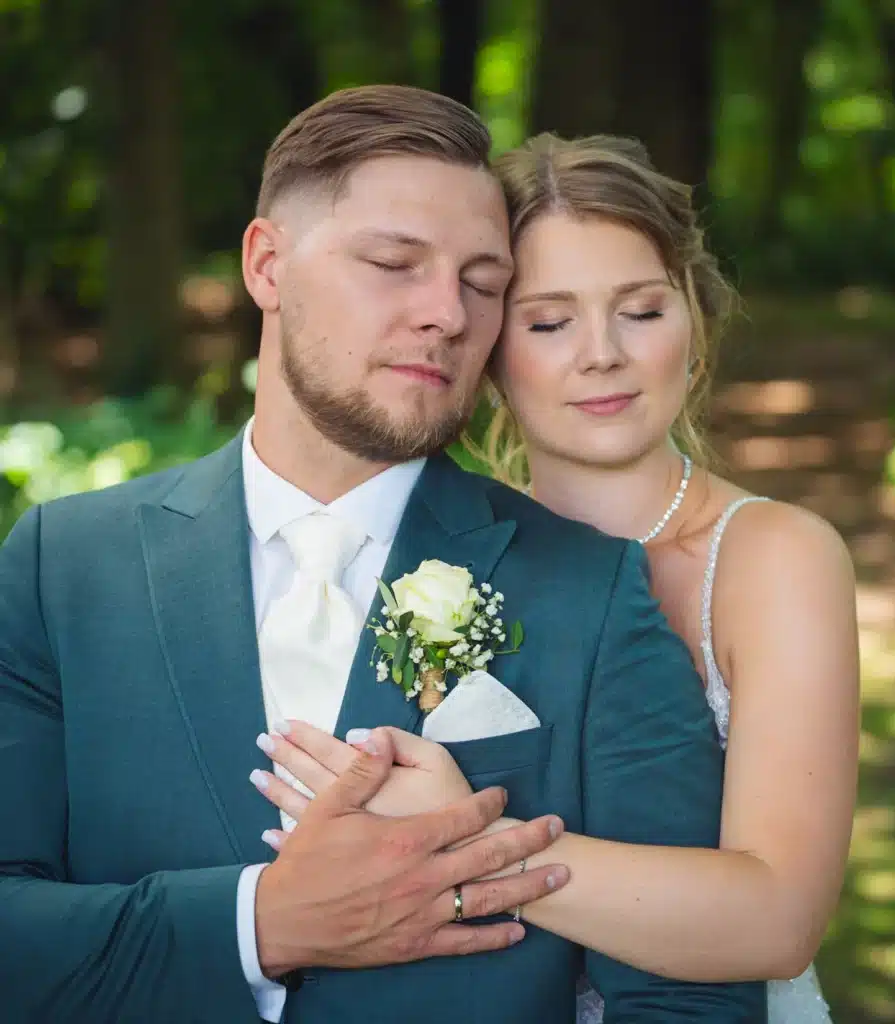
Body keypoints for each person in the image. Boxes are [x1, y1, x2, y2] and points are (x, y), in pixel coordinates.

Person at [0, 88, 764, 1023]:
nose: (446, 314)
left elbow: (694, 1001)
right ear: (268, 264)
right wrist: (260, 924)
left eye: (484, 285)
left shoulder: (590, 590)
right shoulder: (61, 566)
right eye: (395, 263)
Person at [251, 133, 860, 1023]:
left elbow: (778, 920)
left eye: (641, 311)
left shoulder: (777, 557)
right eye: (548, 321)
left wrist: (468, 845)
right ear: (489, 341)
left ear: (692, 317)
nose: (602, 354)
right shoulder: (433, 557)